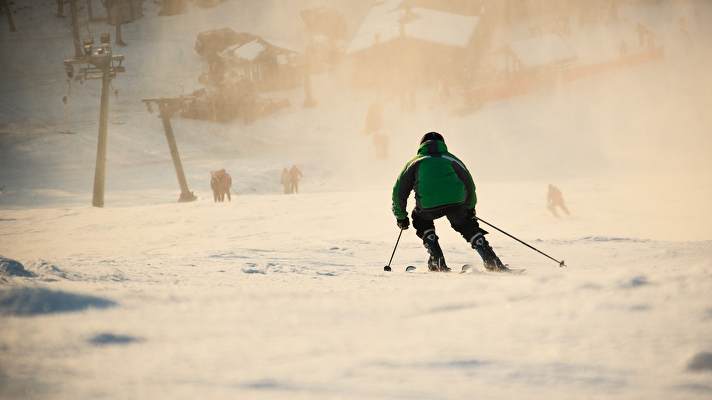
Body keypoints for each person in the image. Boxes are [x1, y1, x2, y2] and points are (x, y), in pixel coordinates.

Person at [391, 132, 508, 272]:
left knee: (420, 219)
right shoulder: (451, 159)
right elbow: (469, 184)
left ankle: (436, 259)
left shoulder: (415, 162)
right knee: (465, 224)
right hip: (456, 202)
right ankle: (491, 261)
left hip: (427, 206)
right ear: (443, 144)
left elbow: (399, 192)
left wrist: (401, 217)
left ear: (421, 145)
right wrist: (469, 208)